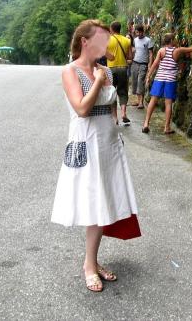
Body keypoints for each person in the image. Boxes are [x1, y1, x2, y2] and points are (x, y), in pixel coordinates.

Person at [51, 19, 141, 293]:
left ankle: (93, 260)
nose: (107, 45)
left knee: (104, 202)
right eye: (101, 40)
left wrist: (116, 136)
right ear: (84, 42)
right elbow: (81, 109)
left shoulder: (107, 71)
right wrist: (99, 81)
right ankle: (89, 265)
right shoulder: (71, 71)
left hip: (107, 143)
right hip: (86, 142)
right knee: (93, 204)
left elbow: (112, 110)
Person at [142, 33, 192, 134]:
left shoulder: (161, 50)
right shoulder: (178, 50)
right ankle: (166, 127)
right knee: (168, 103)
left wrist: (148, 76)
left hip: (159, 78)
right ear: (171, 40)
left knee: (153, 101)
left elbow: (155, 64)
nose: (176, 40)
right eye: (175, 39)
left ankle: (146, 123)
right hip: (170, 80)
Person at [106, 21, 133, 125]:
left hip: (111, 69)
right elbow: (130, 57)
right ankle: (123, 113)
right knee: (122, 92)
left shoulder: (107, 40)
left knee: (112, 91)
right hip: (123, 68)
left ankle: (114, 117)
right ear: (120, 29)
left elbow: (106, 55)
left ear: (111, 29)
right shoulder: (127, 40)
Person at [130, 24, 154, 109]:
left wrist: (150, 65)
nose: (139, 34)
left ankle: (141, 102)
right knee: (135, 81)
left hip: (143, 64)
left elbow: (151, 54)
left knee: (141, 82)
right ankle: (138, 100)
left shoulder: (148, 40)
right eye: (137, 32)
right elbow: (133, 51)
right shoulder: (135, 40)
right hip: (135, 63)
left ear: (143, 32)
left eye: (140, 32)